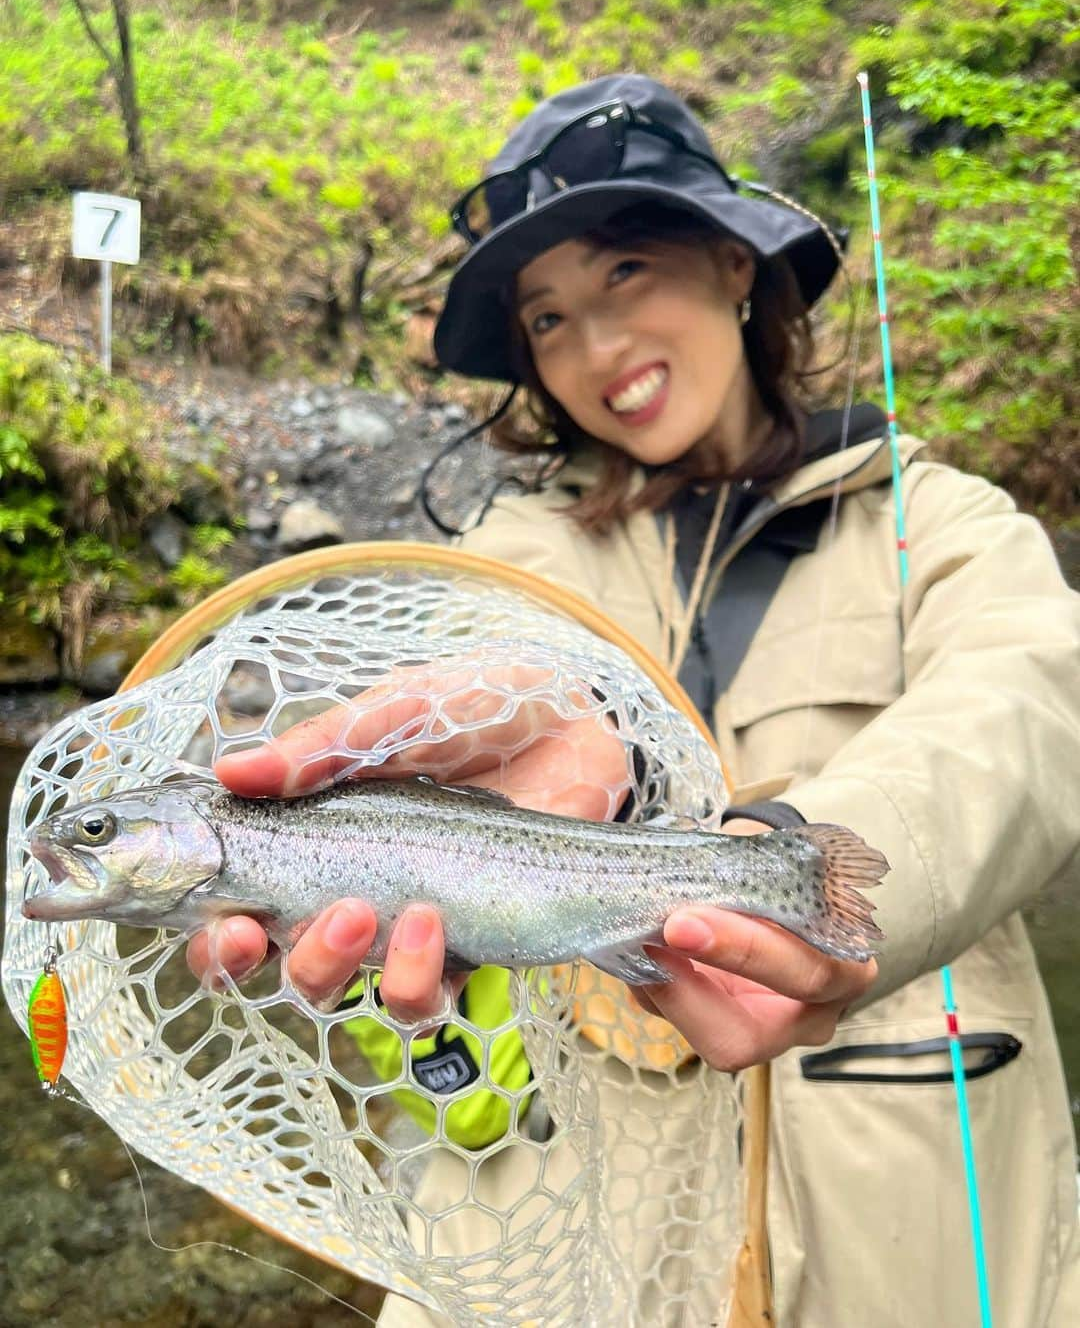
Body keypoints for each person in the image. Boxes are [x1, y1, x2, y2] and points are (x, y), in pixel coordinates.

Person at [188, 75, 1080, 1326]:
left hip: (908, 1222)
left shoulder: (941, 526)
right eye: (546, 319)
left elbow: (1033, 713)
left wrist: (801, 864)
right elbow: (500, 656)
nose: (594, 350)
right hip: (577, 1241)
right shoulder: (511, 557)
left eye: (623, 273)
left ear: (734, 265)